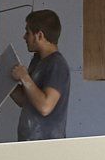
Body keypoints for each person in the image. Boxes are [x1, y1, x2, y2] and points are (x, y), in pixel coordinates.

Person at [9, 9, 70, 140]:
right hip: (29, 144)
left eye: (28, 32)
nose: (24, 37)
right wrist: (4, 77)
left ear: (40, 36)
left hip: (47, 148)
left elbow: (45, 107)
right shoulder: (37, 61)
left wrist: (25, 77)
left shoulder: (57, 65)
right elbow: (24, 100)